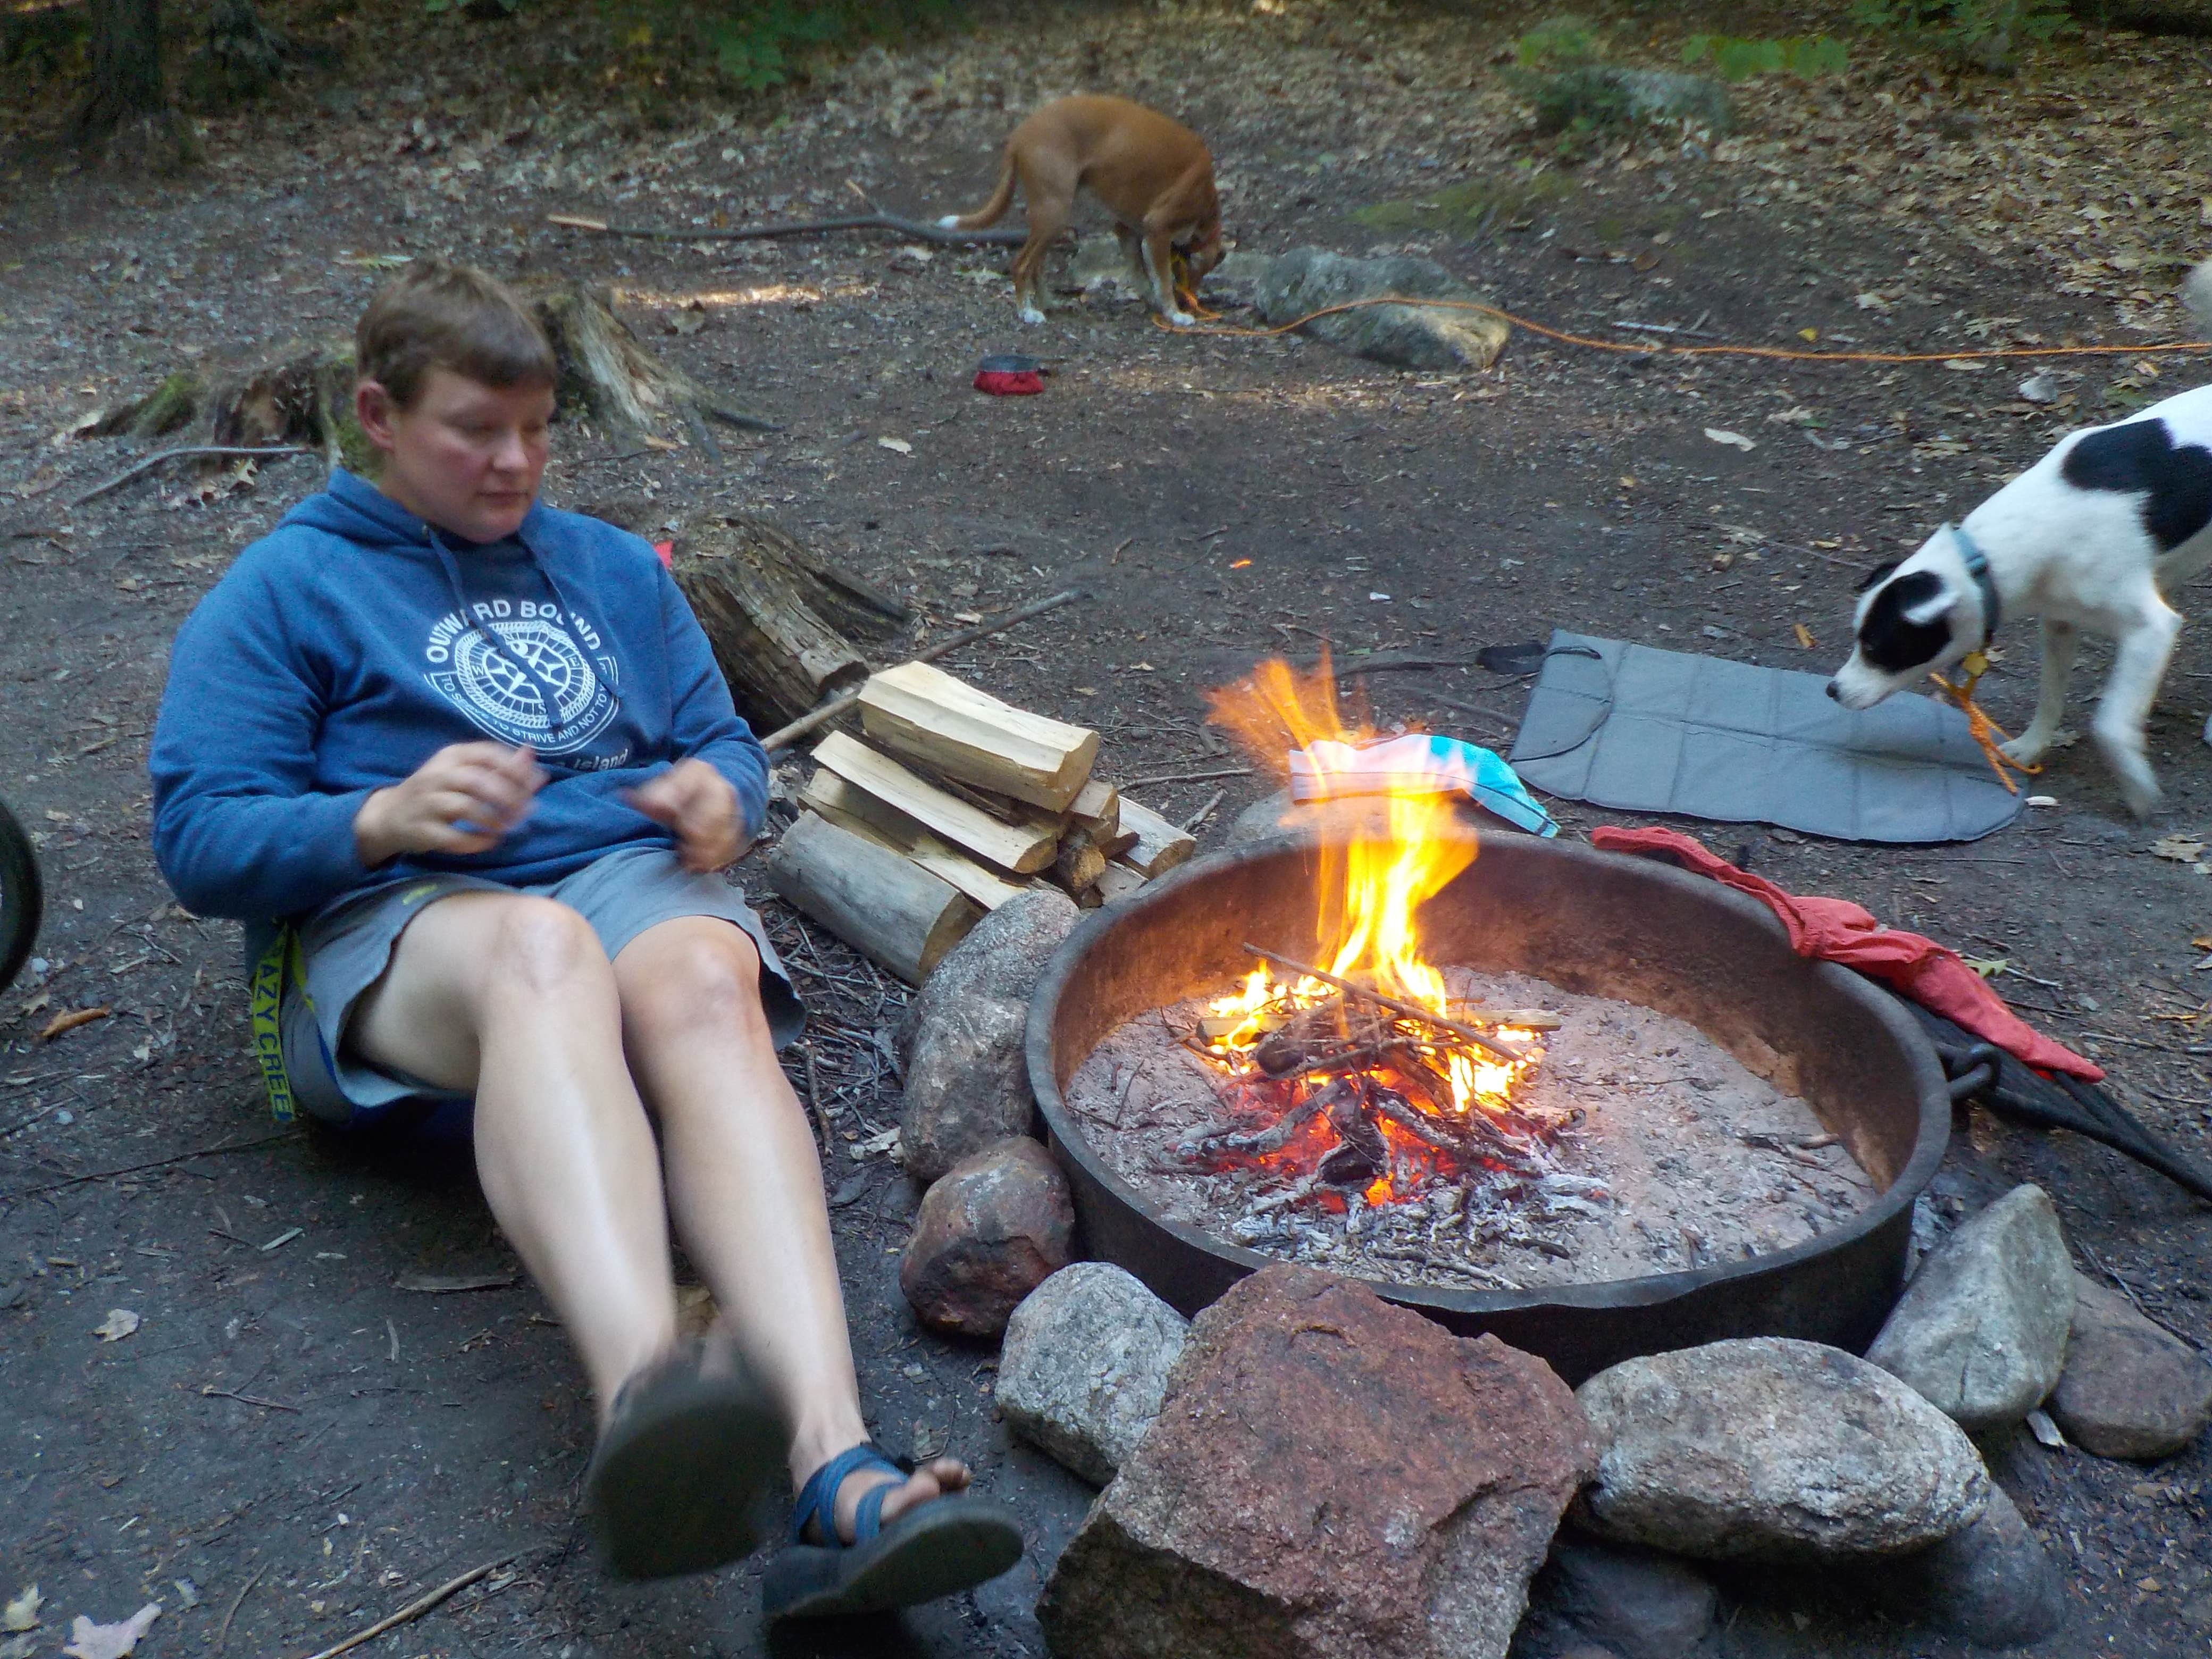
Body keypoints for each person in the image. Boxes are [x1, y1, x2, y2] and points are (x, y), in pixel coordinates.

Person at [148, 259, 1022, 1619]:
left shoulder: (610, 568)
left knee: (707, 980)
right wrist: (376, 816)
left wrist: (720, 799)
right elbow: (198, 836)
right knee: (540, 954)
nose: (515, 463)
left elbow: (726, 745)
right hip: (406, 929)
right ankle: (650, 1410)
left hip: (622, 882)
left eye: (536, 429)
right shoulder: (288, 588)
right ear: (377, 416)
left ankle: (836, 1474)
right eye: (474, 431)